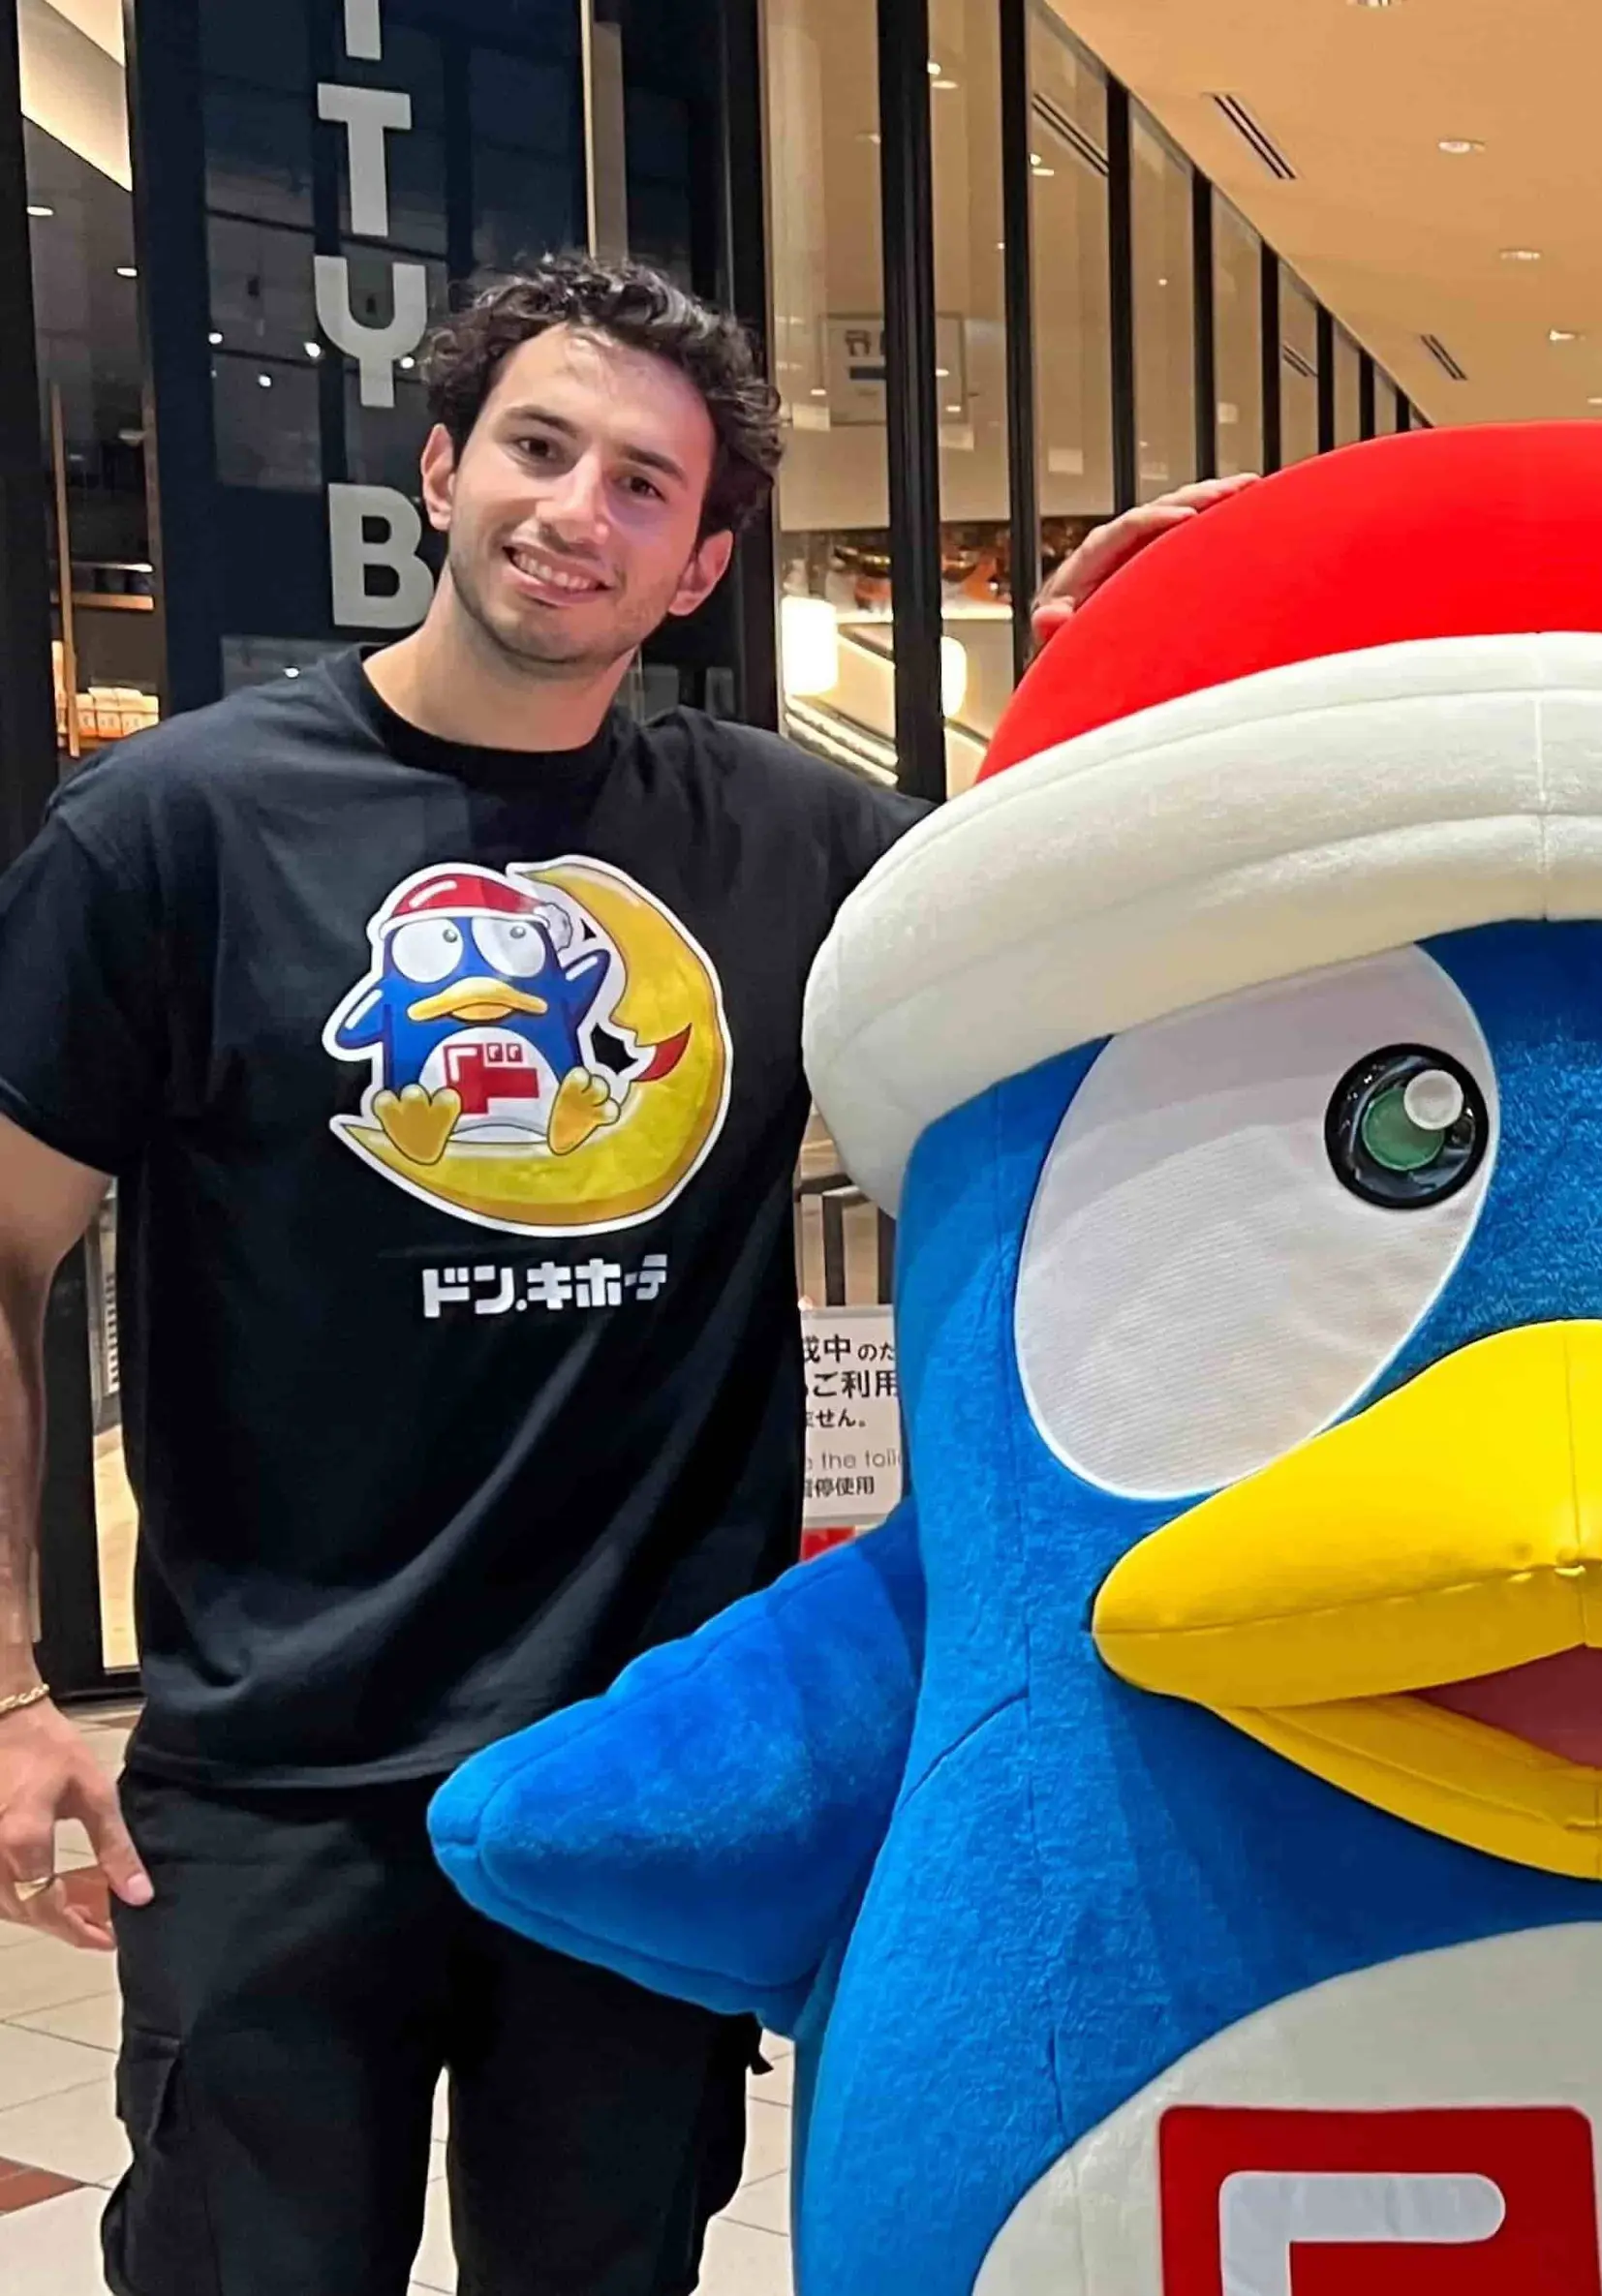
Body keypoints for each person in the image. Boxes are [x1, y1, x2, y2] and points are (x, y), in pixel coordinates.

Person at [0, 252, 1209, 2296]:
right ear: (445, 468)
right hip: (277, 1776)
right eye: (540, 450)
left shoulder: (789, 841)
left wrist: (1141, 635)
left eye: (644, 485)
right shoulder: (178, 827)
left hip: (643, 1766)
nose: (578, 509)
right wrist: (10, 1685)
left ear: (702, 563)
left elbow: (1073, 912)